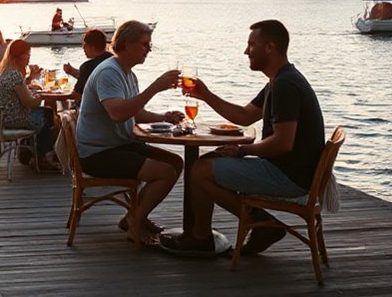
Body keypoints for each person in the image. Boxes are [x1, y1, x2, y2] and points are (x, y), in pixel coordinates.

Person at [163, 20, 326, 255]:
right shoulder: (279, 80)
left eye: (251, 44)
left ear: (269, 47)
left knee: (200, 170)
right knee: (206, 162)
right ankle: (259, 227)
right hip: (291, 170)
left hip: (289, 177)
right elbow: (244, 115)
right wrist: (205, 95)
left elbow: (283, 142)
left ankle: (227, 233)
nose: (246, 50)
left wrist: (243, 150)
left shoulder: (286, 85)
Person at [75, 20, 185, 247]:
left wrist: (163, 117)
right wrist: (155, 87)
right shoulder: (109, 72)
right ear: (127, 44)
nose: (149, 50)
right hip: (98, 153)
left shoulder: (126, 73)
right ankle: (136, 220)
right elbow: (117, 113)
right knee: (164, 172)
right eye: (145, 45)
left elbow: (133, 111)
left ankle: (134, 216)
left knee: (175, 162)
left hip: (117, 145)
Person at [0, 39, 60, 170]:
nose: (29, 58)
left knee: (46, 112)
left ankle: (32, 151)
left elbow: (16, 94)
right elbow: (29, 103)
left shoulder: (3, 73)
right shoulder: (14, 75)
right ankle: (43, 156)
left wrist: (30, 83)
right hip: (15, 119)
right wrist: (41, 96)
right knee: (47, 115)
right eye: (27, 55)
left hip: (3, 117)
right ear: (19, 56)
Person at [63, 28, 111, 104]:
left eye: (85, 45)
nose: (83, 48)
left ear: (93, 47)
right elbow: (90, 78)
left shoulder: (88, 66)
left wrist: (45, 96)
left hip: (93, 110)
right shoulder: (113, 60)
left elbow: (76, 95)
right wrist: (72, 71)